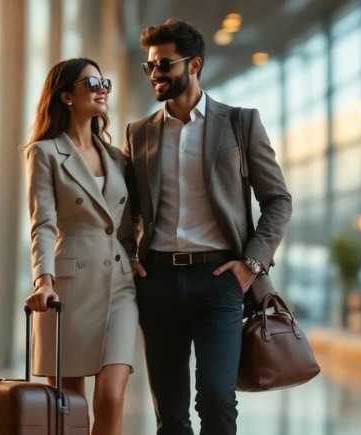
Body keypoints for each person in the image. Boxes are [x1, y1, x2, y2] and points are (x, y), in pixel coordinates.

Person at [123, 19, 293, 435]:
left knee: (217, 397)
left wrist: (250, 264)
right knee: (171, 411)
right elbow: (126, 208)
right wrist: (130, 256)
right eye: (150, 67)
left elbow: (278, 201)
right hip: (159, 280)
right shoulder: (139, 133)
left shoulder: (240, 123)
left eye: (165, 64)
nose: (156, 75)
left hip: (219, 279)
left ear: (194, 64)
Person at [23, 57, 139, 435]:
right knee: (70, 408)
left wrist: (135, 255)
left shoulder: (119, 158)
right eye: (92, 83)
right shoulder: (44, 152)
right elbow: (42, 222)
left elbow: (131, 218)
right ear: (67, 96)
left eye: (105, 82)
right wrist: (44, 280)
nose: (102, 89)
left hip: (120, 284)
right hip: (69, 286)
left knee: (112, 395)